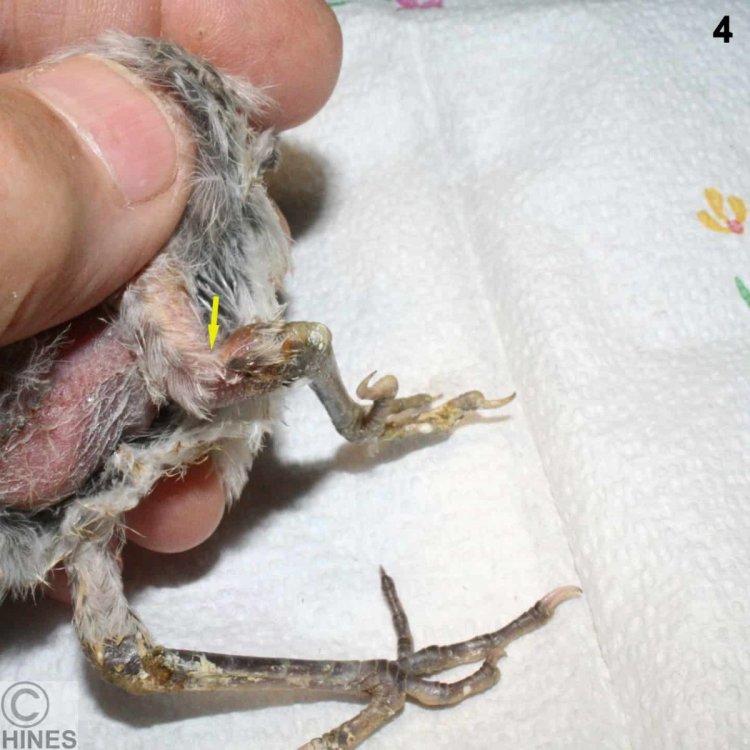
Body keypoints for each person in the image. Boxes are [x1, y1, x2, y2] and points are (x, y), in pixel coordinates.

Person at [0, 0, 343, 599]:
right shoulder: (176, 160)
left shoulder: (202, 266)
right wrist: (354, 418)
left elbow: (213, 336)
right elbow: (259, 350)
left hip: (62, 497)